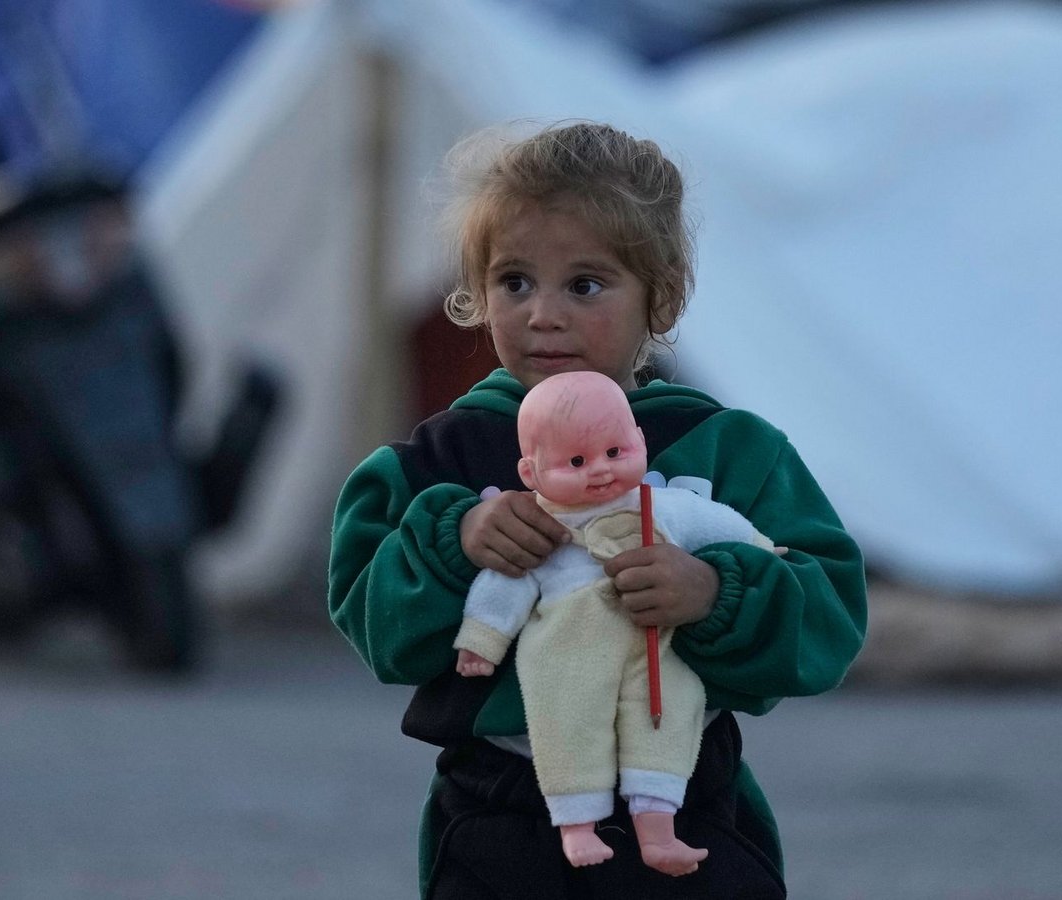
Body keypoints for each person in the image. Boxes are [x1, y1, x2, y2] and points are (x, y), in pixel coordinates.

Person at [327, 120, 866, 899]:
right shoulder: (439, 460)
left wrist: (716, 595)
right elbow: (371, 624)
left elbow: (830, 617)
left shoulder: (726, 449)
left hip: (688, 813)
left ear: (665, 292)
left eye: (584, 285)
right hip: (498, 819)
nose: (544, 313)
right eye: (515, 281)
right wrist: (456, 541)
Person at [454, 370, 778, 877]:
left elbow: (723, 524)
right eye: (576, 462)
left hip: (658, 644)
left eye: (615, 453)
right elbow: (504, 586)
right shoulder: (543, 528)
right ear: (531, 473)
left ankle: (658, 828)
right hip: (567, 652)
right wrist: (482, 640)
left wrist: (762, 549)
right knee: (566, 727)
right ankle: (577, 825)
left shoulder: (666, 509)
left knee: (669, 714)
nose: (600, 472)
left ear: (639, 443)